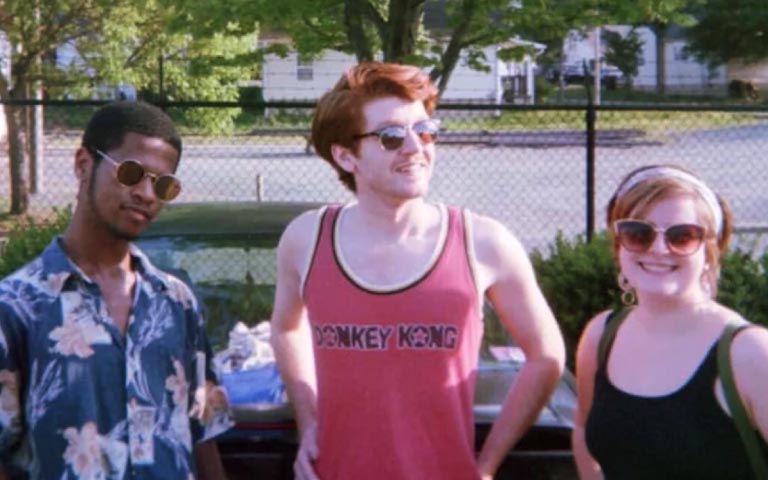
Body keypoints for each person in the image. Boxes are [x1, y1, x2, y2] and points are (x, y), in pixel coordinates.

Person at [270, 61, 565, 480]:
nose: (415, 148)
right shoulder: (306, 239)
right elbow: (286, 329)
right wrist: (309, 420)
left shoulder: (483, 243)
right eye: (391, 136)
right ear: (345, 156)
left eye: (424, 131)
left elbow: (547, 355)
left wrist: (486, 465)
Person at [0, 101, 230, 479]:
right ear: (83, 164)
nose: (147, 193)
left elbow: (202, 434)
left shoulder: (175, 301)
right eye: (131, 173)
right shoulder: (16, 307)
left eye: (163, 185)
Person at [572, 164, 768, 479]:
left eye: (683, 236)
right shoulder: (601, 336)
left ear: (710, 253)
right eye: (638, 233)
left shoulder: (749, 354)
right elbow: (583, 430)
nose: (659, 249)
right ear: (618, 245)